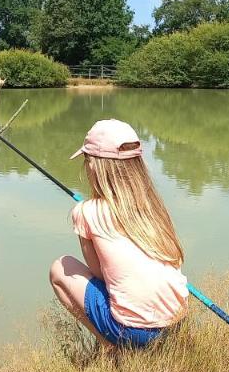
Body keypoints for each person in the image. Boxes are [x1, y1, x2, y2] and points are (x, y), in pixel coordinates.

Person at [49, 119, 189, 348]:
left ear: (93, 166)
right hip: (176, 326)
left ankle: (110, 345)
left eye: (86, 160)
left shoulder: (86, 212)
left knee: (59, 267)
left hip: (136, 334)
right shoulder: (153, 206)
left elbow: (99, 274)